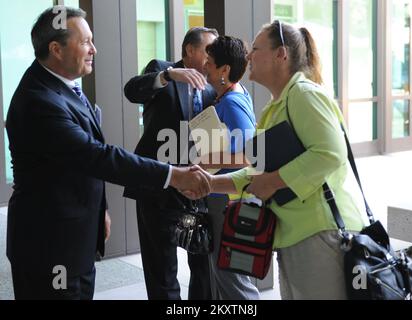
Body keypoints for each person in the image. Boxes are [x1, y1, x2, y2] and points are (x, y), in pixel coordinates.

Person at [5, 6, 210, 300]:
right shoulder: (40, 101)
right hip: (49, 246)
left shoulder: (60, 84)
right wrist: (173, 175)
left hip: (74, 234)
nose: (94, 49)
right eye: (85, 42)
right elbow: (98, 156)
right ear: (56, 49)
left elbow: (79, 165)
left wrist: (101, 210)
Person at [186, 21, 366, 300]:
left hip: (320, 232)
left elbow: (330, 153)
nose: (248, 57)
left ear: (281, 54)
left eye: (256, 49)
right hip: (294, 236)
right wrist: (210, 183)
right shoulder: (275, 108)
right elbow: (255, 174)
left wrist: (272, 180)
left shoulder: (305, 94)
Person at [123, 27, 218, 300]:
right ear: (190, 50)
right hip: (158, 187)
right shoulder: (162, 71)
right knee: (161, 269)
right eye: (207, 50)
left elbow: (213, 142)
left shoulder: (213, 85)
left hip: (197, 189)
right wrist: (166, 76)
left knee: (202, 266)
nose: (211, 56)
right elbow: (132, 91)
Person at [199, 36, 259, 299]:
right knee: (228, 278)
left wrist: (206, 161)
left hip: (230, 203)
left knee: (233, 280)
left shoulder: (232, 103)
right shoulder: (232, 94)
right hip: (227, 200)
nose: (204, 68)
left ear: (224, 70)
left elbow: (251, 157)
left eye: (210, 64)